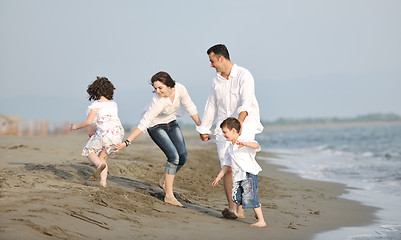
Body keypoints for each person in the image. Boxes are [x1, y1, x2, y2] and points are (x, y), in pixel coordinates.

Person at [114, 71, 201, 207]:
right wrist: (127, 142)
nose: (157, 91)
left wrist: (201, 128)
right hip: (155, 127)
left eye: (160, 88)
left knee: (182, 157)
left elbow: (190, 107)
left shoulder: (180, 89)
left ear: (169, 85)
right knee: (173, 157)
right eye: (155, 88)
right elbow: (144, 123)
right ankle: (169, 195)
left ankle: (163, 182)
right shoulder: (157, 100)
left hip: (171, 123)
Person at [197, 44, 264, 219]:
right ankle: (233, 208)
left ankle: (242, 207)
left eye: (212, 61)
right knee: (227, 168)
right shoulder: (216, 80)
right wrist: (204, 128)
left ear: (221, 58)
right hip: (224, 129)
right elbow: (211, 105)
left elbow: (246, 104)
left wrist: (238, 126)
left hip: (244, 127)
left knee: (241, 166)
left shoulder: (244, 75)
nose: (211, 65)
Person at [70, 77, 124, 188]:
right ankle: (103, 182)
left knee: (89, 151)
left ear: (94, 90)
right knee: (103, 157)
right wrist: (95, 135)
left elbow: (89, 122)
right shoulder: (113, 104)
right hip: (117, 134)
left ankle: (99, 165)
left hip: (104, 134)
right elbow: (107, 122)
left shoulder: (96, 105)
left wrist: (76, 127)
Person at [212, 118, 266, 228]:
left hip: (249, 173)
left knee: (249, 196)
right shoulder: (229, 149)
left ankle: (261, 221)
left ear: (233, 131)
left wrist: (245, 144)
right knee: (236, 198)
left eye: (225, 132)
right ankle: (257, 205)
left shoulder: (244, 140)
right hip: (238, 176)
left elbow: (256, 145)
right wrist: (218, 177)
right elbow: (226, 166)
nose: (224, 135)